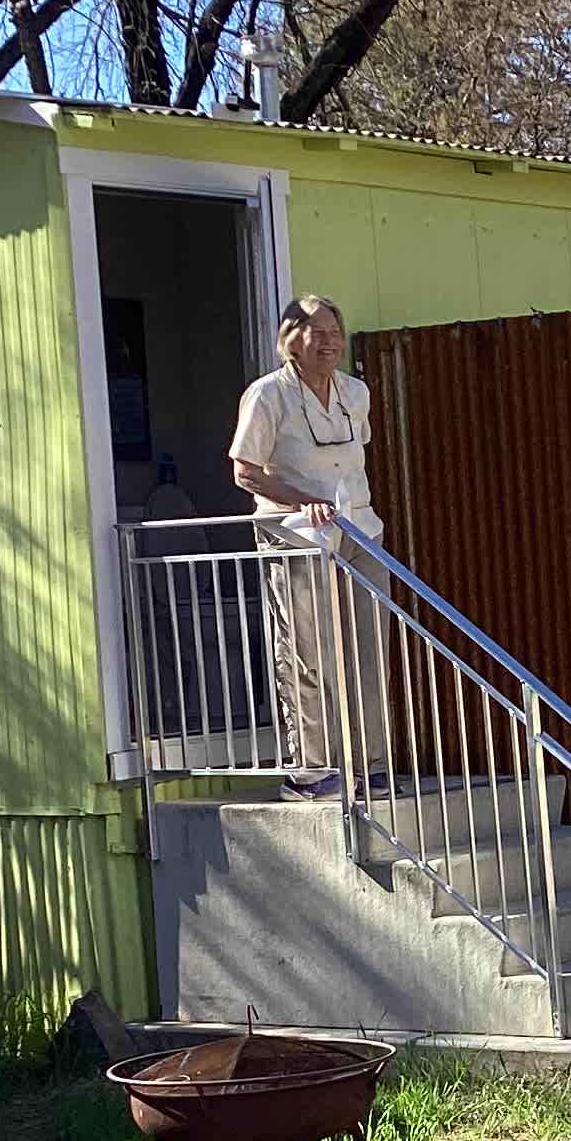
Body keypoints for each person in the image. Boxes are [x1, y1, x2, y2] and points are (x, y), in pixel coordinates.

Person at [228, 296, 389, 799]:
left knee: (370, 651)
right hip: (297, 535)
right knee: (306, 652)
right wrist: (303, 502)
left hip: (361, 532)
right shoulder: (267, 396)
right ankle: (310, 770)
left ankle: (372, 766)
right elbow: (245, 472)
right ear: (289, 339)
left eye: (335, 333)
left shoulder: (355, 392)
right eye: (317, 334)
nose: (330, 343)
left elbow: (353, 456)